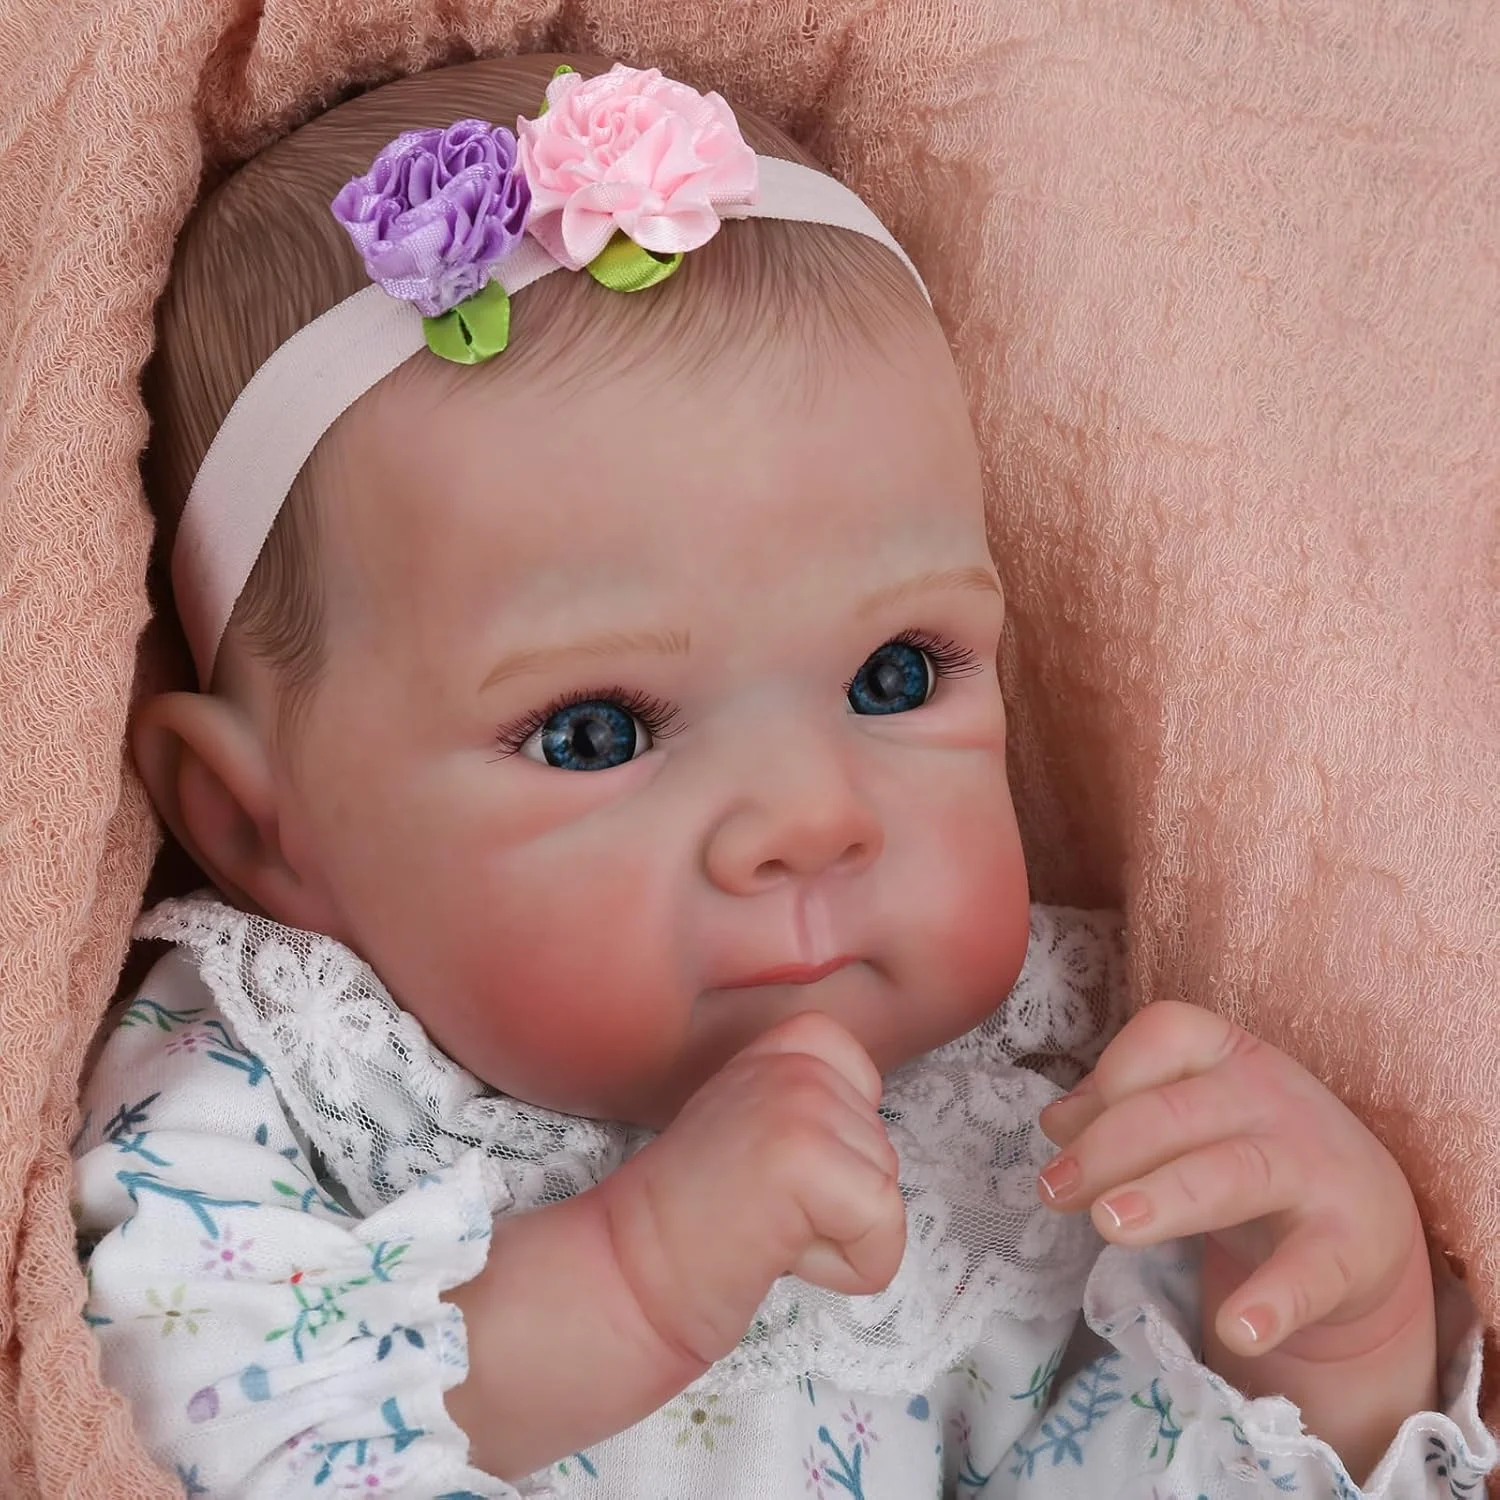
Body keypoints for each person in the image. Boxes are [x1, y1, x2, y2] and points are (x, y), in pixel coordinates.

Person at [71, 52, 1492, 1499]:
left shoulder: (1032, 1114)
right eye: (595, 734)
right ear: (257, 824)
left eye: (897, 677)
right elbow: (200, 1422)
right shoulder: (284, 1080)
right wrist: (637, 1277)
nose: (812, 818)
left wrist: (1332, 1350)